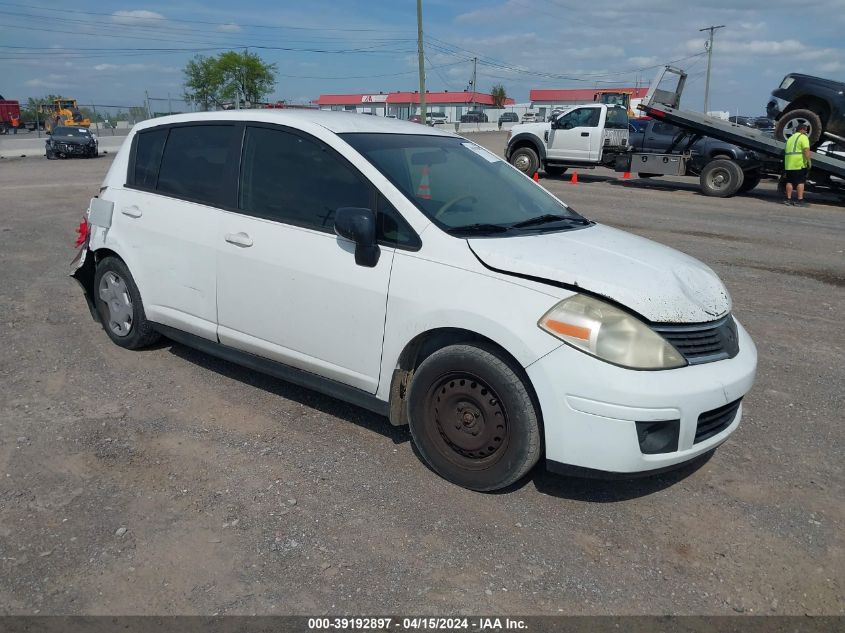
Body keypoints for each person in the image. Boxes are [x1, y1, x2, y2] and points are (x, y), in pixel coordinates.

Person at [783, 122, 812, 206]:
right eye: (806, 130)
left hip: (789, 163)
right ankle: (800, 201)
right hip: (798, 163)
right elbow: (806, 150)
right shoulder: (803, 137)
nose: (806, 132)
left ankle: (788, 199)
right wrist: (809, 161)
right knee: (800, 182)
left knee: (789, 181)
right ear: (802, 130)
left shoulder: (790, 138)